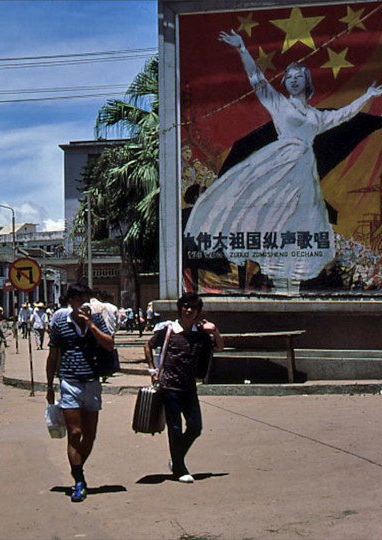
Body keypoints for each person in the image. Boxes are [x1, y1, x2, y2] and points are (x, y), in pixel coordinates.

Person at [184, 29, 382, 291]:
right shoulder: (279, 105)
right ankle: (276, 280)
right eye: (289, 77)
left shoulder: (316, 117)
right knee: (270, 216)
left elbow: (344, 115)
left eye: (298, 77)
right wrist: (242, 49)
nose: (293, 80)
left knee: (300, 222)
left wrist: (367, 96)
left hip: (304, 172)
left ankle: (290, 285)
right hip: (278, 164)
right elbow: (257, 81)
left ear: (307, 82)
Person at [143, 292, 224, 483]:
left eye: (193, 308)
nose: (188, 310)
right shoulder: (169, 331)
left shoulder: (201, 335)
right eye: (185, 307)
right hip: (169, 388)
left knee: (195, 427)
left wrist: (214, 330)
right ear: (180, 309)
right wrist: (152, 370)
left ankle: (176, 458)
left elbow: (219, 347)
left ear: (197, 312)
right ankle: (179, 468)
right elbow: (148, 345)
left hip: (189, 388)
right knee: (175, 428)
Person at [45, 282, 114, 503]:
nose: (81, 304)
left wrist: (91, 326)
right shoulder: (60, 324)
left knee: (90, 435)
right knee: (75, 433)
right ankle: (79, 480)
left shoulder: (97, 320)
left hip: (92, 381)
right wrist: (48, 385)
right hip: (69, 382)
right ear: (70, 301)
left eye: (85, 299)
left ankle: (77, 467)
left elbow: (109, 345)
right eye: (77, 299)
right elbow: (53, 355)